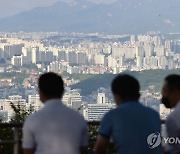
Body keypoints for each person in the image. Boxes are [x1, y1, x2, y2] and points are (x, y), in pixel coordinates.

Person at [23, 72, 88, 154]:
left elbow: (28, 151)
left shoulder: (32, 120)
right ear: (62, 92)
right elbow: (83, 150)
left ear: (41, 93)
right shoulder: (78, 118)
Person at [95, 74, 161, 154]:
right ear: (138, 94)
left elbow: (100, 148)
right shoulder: (154, 115)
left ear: (116, 96)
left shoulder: (112, 116)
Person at [161, 74, 180, 154]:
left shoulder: (173, 118)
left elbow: (174, 150)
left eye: (165, 91)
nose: (163, 96)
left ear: (175, 93)